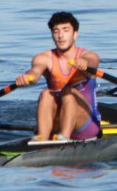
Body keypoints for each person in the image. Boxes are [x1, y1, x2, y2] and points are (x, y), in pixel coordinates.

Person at [16, 12, 102, 142]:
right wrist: (28, 77)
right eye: (56, 31)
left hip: (86, 125)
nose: (60, 36)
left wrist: (85, 63)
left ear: (75, 34)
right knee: (46, 94)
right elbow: (35, 71)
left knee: (68, 92)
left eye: (66, 30)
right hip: (57, 125)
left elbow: (92, 61)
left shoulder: (90, 56)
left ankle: (64, 139)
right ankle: (41, 140)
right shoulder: (43, 58)